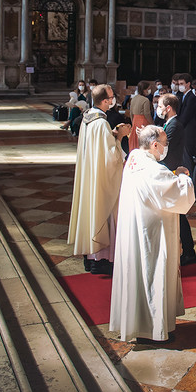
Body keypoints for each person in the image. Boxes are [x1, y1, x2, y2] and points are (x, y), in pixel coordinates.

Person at [109, 126, 195, 343]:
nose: (166, 148)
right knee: (151, 274)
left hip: (135, 229)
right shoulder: (155, 171)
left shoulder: (134, 159)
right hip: (152, 235)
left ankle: (137, 325)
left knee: (137, 275)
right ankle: (153, 330)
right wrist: (184, 176)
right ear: (155, 145)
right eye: (165, 144)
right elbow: (179, 195)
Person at [68, 84, 132, 274]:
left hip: (90, 174)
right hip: (102, 178)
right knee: (104, 213)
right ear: (105, 101)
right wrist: (120, 136)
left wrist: (111, 135)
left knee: (91, 212)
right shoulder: (101, 123)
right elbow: (111, 157)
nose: (113, 100)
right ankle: (102, 259)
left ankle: (90, 258)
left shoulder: (88, 118)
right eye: (111, 97)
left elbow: (97, 148)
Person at [157, 94, 196, 265]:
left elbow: (166, 148)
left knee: (179, 214)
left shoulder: (175, 125)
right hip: (167, 169)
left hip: (170, 170)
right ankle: (187, 250)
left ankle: (189, 251)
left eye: (159, 105)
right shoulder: (169, 124)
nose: (157, 108)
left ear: (168, 108)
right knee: (176, 214)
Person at [173, 73, 196, 159]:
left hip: (188, 130)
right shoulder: (182, 96)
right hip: (182, 128)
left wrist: (177, 126)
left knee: (187, 155)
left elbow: (186, 116)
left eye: (181, 84)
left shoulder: (191, 97)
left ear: (188, 84)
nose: (180, 86)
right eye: (179, 84)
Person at [127, 81, 153, 150]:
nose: (149, 90)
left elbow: (131, 113)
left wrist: (133, 123)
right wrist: (152, 123)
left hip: (135, 121)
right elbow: (147, 114)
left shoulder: (133, 99)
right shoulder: (146, 100)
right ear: (144, 90)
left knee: (134, 142)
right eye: (148, 89)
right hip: (143, 121)